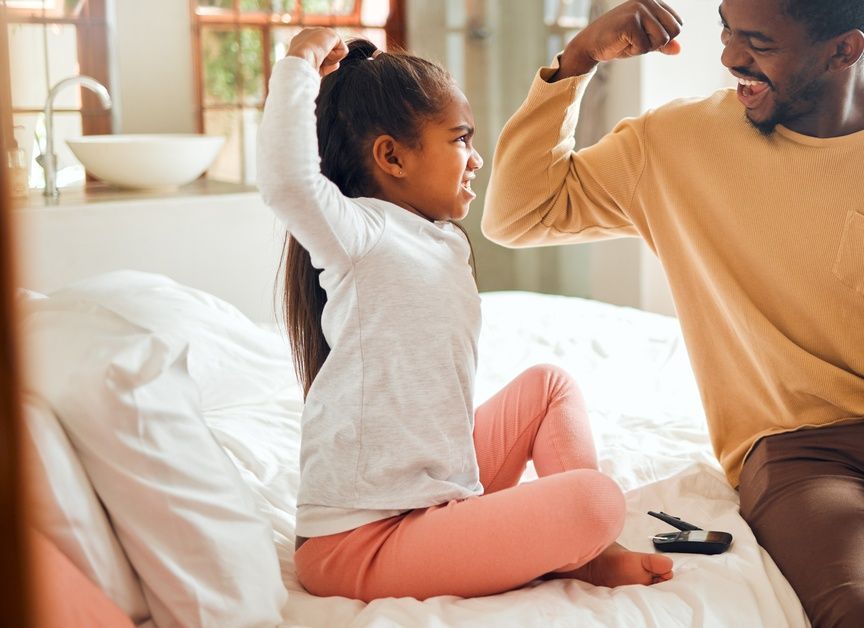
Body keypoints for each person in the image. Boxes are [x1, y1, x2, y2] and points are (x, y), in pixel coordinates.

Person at [482, 1, 864, 626]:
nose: (728, 57)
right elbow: (518, 214)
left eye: (758, 42)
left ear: (844, 50)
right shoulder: (672, 145)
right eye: (726, 29)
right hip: (795, 448)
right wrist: (576, 62)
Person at [257, 27, 673, 602]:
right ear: (392, 156)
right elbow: (287, 181)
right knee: (596, 501)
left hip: (437, 492)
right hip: (362, 540)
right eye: (459, 139)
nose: (477, 159)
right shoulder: (360, 232)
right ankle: (584, 540)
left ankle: (590, 552)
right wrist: (299, 62)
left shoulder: (443, 240)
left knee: (550, 385)